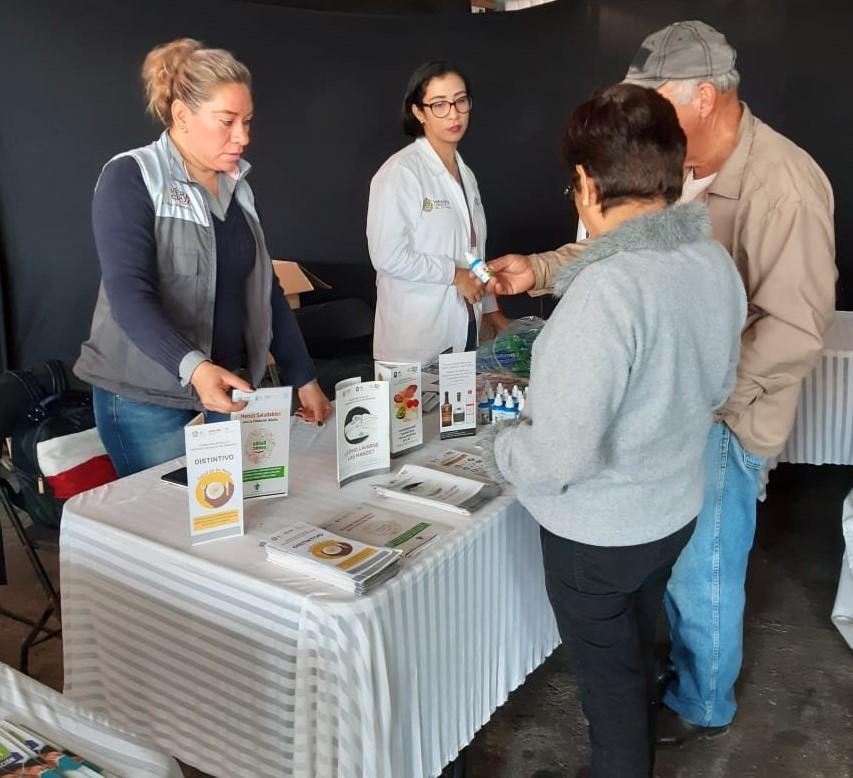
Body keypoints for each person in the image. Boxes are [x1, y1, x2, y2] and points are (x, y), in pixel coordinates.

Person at [488, 21, 837, 747]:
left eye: (654, 97)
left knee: (704, 576)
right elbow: (623, 245)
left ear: (703, 97)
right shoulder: (671, 170)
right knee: (664, 574)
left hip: (727, 417)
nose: (639, 114)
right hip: (678, 418)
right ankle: (650, 701)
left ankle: (700, 706)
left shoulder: (785, 185)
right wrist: (543, 270)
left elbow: (796, 329)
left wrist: (697, 394)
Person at [485, 83, 745, 778]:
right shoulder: (711, 261)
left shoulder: (606, 289)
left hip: (598, 534)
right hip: (671, 510)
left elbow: (557, 456)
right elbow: (720, 387)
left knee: (609, 692)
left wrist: (498, 445)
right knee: (633, 651)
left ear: (586, 183)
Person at [75, 38, 331, 477]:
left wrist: (302, 375)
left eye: (247, 122)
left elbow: (264, 290)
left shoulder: (237, 187)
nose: (243, 137)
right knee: (168, 516)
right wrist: (194, 368)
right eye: (227, 121)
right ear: (181, 115)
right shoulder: (132, 176)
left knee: (229, 511)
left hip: (225, 388)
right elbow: (129, 295)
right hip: (149, 400)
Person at [366, 61, 509, 366]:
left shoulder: (466, 174)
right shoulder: (401, 173)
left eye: (460, 101)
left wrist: (491, 311)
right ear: (419, 112)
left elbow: (472, 252)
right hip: (415, 339)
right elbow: (387, 255)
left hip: (465, 326)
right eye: (440, 105)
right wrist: (453, 274)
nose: (454, 114)